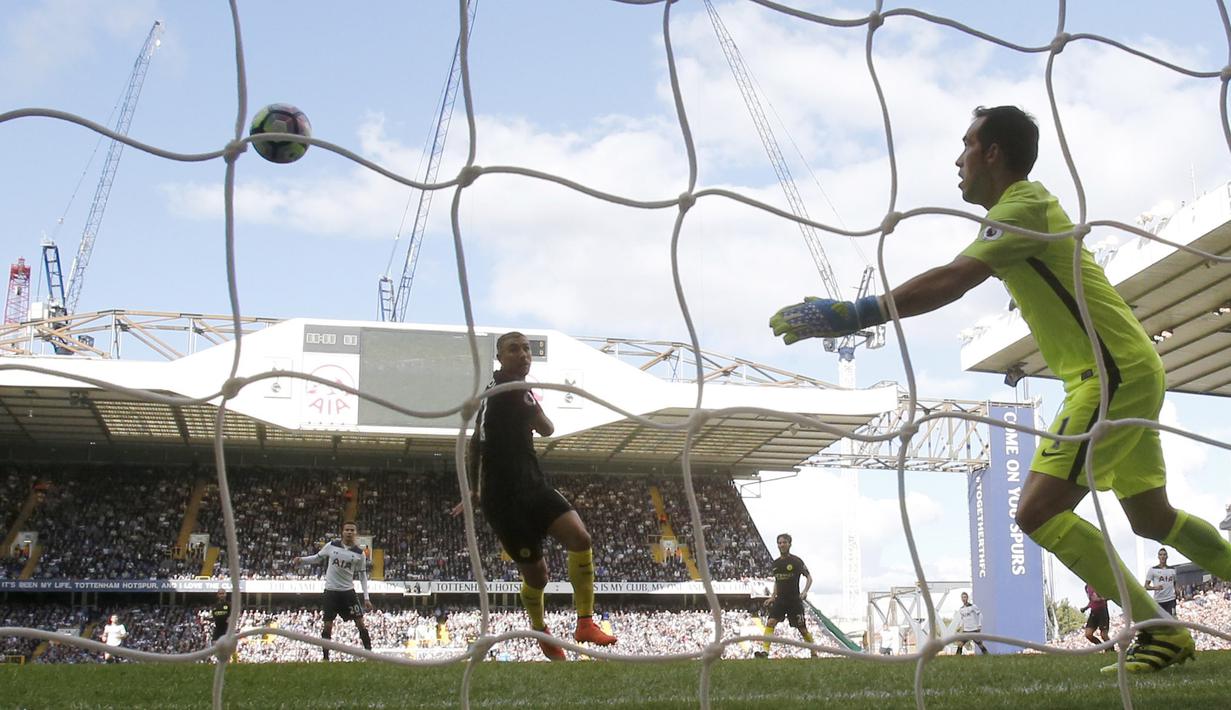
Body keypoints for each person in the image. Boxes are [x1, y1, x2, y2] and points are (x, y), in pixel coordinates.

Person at [768, 105, 1231, 674]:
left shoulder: (1024, 206)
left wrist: (855, 313)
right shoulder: (1023, 212)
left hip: (1107, 374)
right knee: (1152, 521)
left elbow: (953, 280)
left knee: (1036, 512)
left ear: (992, 153)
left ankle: (1160, 632)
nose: (956, 158)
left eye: (966, 144)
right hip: (1126, 368)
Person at [451, 331, 617, 661]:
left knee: (580, 538)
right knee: (538, 575)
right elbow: (543, 429)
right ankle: (541, 631)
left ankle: (585, 622)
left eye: (527, 349)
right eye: (514, 349)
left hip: (534, 485)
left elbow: (490, 439)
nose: (523, 354)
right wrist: (474, 489)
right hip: (504, 500)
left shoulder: (514, 393)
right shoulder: (498, 394)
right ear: (500, 358)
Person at [292, 520, 374, 661]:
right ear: (342, 532)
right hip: (331, 592)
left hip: (348, 592)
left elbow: (362, 576)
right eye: (347, 529)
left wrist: (366, 598)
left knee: (360, 623)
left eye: (352, 530)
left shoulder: (360, 554)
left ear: (355, 533)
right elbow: (317, 558)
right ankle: (325, 658)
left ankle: (370, 655)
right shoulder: (331, 546)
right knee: (328, 625)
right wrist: (302, 560)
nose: (349, 532)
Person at [754, 533, 816, 658]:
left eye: (784, 542)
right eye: (779, 543)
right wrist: (772, 596)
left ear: (789, 544)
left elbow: (809, 578)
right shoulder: (775, 564)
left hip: (794, 600)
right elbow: (777, 581)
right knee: (770, 622)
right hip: (780, 600)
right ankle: (765, 652)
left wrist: (804, 592)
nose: (782, 545)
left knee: (802, 629)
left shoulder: (796, 561)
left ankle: (813, 650)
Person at [1144, 547, 1178, 617]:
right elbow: (1146, 586)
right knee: (1161, 621)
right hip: (1159, 600)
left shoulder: (1172, 569)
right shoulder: (1153, 570)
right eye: (1161, 555)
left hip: (1170, 599)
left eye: (1164, 555)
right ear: (1158, 557)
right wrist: (1154, 588)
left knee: (1172, 620)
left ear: (1167, 557)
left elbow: (1175, 582)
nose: (1162, 556)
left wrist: (1177, 590)